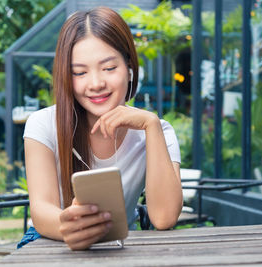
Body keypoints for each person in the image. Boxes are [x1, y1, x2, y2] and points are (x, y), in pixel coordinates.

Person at [19, 7, 182, 251]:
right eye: (80, 72)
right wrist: (68, 225)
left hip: (118, 248)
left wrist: (151, 125)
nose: (96, 84)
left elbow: (164, 218)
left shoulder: (157, 131)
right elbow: (41, 209)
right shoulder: (43, 124)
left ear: (129, 68)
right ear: (66, 76)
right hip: (51, 243)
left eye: (108, 68)